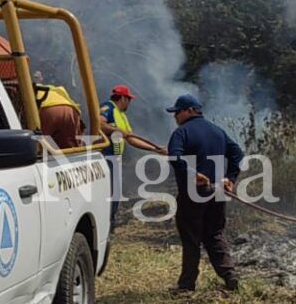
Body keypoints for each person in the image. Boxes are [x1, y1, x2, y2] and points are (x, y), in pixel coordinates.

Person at [165, 94, 244, 292]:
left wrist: (192, 174)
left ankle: (186, 285)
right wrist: (230, 178)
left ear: (190, 111)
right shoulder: (217, 131)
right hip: (217, 192)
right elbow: (238, 154)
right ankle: (230, 276)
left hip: (193, 194)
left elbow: (174, 158)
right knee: (214, 234)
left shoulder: (181, 133)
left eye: (178, 112)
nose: (175, 117)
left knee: (191, 237)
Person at [98, 85, 165, 227]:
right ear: (122, 98)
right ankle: (106, 224)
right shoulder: (107, 107)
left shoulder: (121, 115)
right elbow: (99, 123)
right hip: (105, 157)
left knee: (115, 193)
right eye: (129, 99)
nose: (130, 103)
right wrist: (117, 130)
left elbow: (130, 138)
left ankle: (110, 222)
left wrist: (155, 149)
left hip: (115, 159)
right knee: (109, 193)